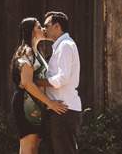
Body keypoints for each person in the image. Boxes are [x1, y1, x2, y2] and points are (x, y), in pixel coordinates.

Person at [10, 17, 67, 154]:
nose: (43, 29)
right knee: (28, 149)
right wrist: (51, 103)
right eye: (39, 27)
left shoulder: (36, 52)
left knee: (34, 148)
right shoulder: (26, 51)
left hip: (36, 103)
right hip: (26, 103)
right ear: (31, 32)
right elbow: (26, 83)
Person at [39, 11, 82, 154]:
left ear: (57, 26)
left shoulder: (65, 46)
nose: (44, 29)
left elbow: (61, 79)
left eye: (46, 25)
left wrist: (37, 82)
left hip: (63, 108)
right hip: (59, 109)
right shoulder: (60, 46)